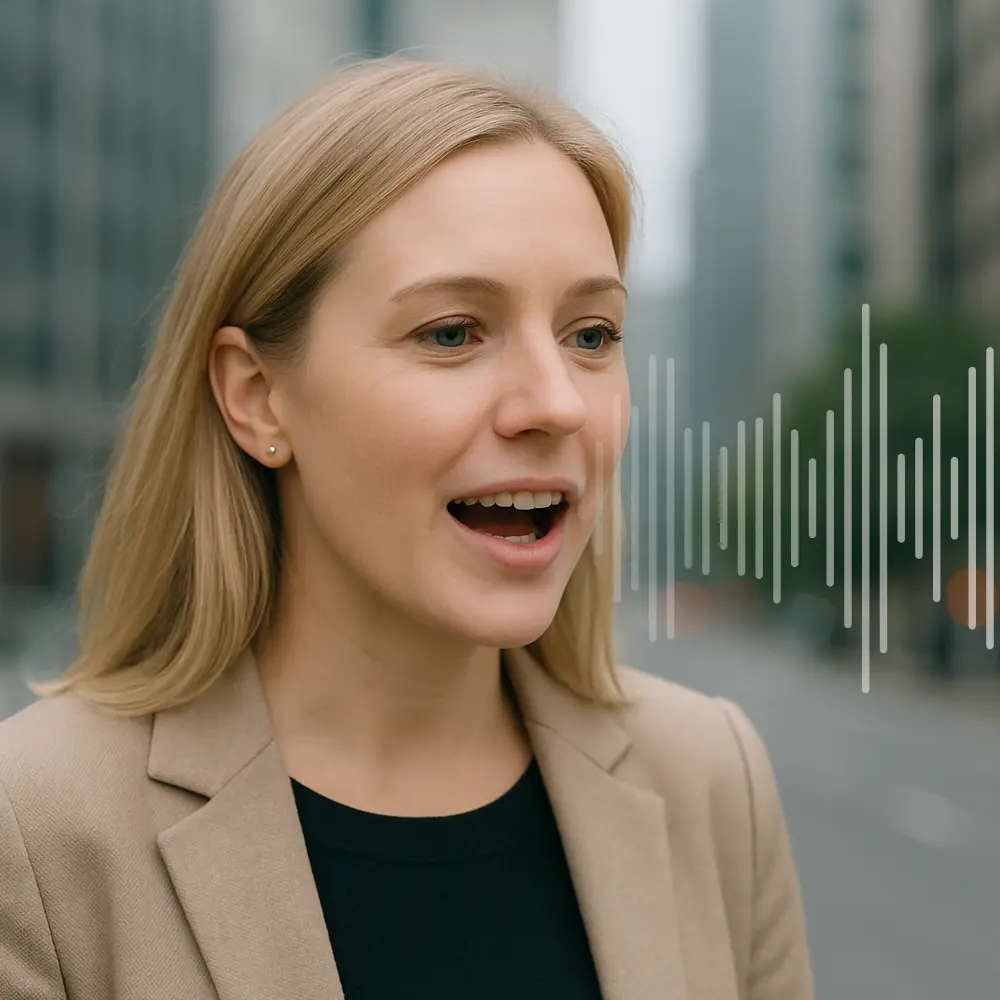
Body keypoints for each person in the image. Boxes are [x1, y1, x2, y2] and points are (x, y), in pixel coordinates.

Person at [0, 57, 814, 999]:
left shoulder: (714, 782)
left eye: (591, 335)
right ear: (257, 397)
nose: (557, 403)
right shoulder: (35, 831)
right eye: (452, 332)